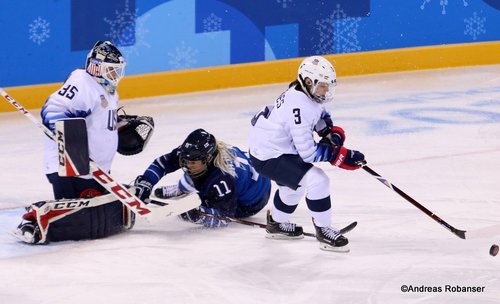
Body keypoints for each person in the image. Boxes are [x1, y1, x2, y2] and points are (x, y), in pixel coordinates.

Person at [14, 41, 153, 244]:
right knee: (85, 216)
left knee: (103, 212)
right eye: (111, 71)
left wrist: (119, 127)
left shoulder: (107, 89)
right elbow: (53, 108)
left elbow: (96, 122)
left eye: (117, 71)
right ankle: (33, 222)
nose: (116, 76)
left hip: (96, 170)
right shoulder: (83, 83)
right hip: (71, 166)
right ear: (96, 67)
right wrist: (68, 138)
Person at [248, 55, 365, 252]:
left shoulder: (304, 93)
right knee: (318, 181)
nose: (326, 90)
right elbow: (308, 153)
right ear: (309, 81)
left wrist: (329, 133)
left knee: (292, 188)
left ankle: (276, 224)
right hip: (269, 156)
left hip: (271, 148)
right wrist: (341, 155)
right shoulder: (298, 106)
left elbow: (320, 115)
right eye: (323, 85)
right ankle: (324, 230)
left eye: (328, 85)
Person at [134, 128, 271, 228]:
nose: (187, 165)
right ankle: (181, 188)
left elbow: (225, 217)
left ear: (208, 158)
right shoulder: (190, 152)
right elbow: (162, 164)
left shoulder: (221, 180)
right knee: (197, 175)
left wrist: (200, 215)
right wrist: (147, 181)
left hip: (254, 200)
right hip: (246, 177)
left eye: (192, 162)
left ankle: (183, 189)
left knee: (206, 190)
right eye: (185, 160)